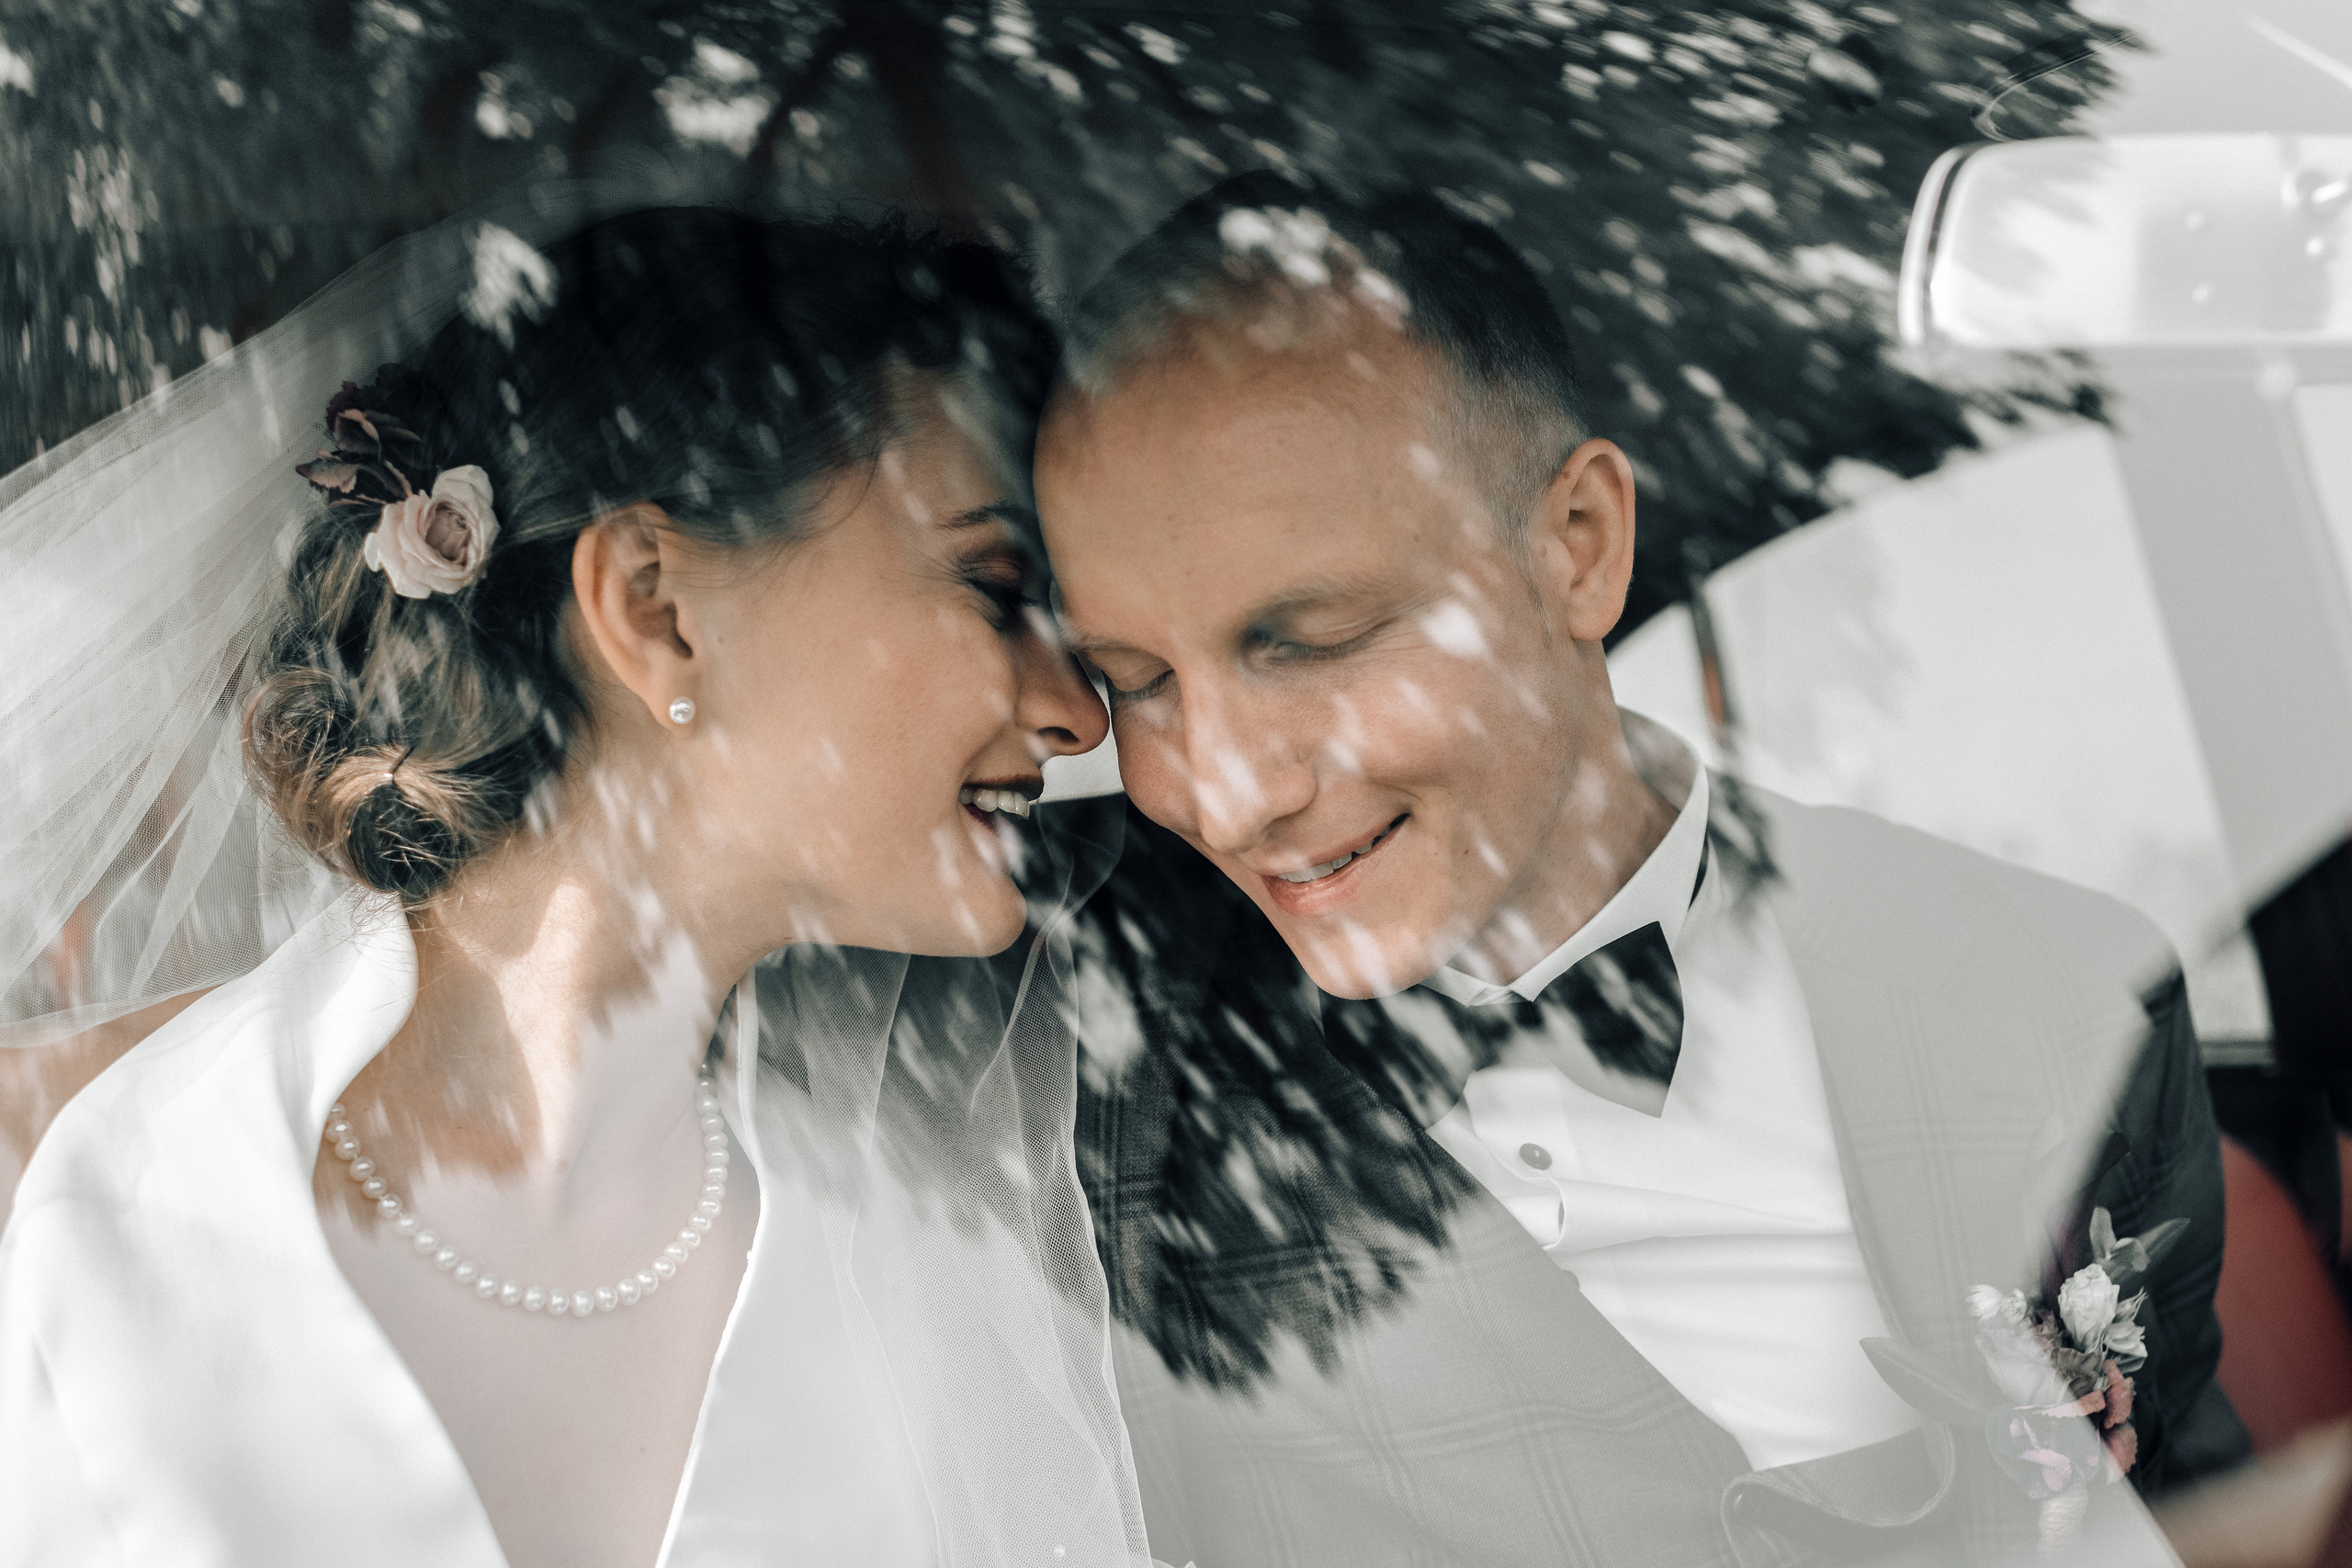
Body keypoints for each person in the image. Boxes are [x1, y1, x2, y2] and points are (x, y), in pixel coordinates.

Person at [1035, 173, 2248, 1566]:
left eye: (1308, 642)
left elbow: (2174, 1499)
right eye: (1136, 687)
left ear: (1579, 548)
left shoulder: (2061, 997)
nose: (1227, 791)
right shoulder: (1068, 1082)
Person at [0, 201, 1152, 1567]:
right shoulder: (84, 1224)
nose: (1078, 711)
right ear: (656, 607)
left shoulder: (926, 1263)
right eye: (994, 584)